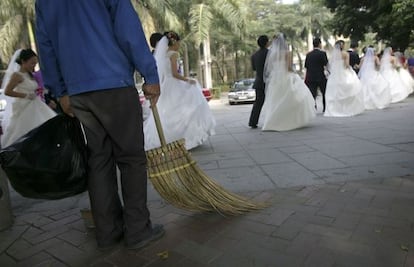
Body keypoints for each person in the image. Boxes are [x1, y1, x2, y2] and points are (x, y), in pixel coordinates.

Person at [35, 0, 164, 250]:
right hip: (114, 84)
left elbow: (46, 46)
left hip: (78, 93)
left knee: (99, 160)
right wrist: (150, 74)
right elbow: (128, 30)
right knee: (131, 159)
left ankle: (107, 234)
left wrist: (60, 91)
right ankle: (138, 230)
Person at [144, 31, 216, 150]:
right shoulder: (173, 54)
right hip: (173, 84)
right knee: (189, 107)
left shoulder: (163, 54)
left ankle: (169, 137)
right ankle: (185, 136)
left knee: (168, 112)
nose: (179, 45)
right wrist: (188, 80)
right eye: (178, 42)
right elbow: (174, 74)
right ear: (174, 42)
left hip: (166, 85)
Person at [0, 49, 57, 148]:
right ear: (23, 61)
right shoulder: (17, 75)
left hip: (36, 104)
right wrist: (25, 95)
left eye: (35, 63)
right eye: (32, 63)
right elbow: (7, 91)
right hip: (24, 105)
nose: (34, 66)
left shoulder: (29, 74)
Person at [261, 34, 316, 131]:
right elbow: (289, 67)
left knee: (276, 100)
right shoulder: (287, 53)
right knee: (293, 98)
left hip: (275, 79)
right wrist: (295, 73)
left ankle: (271, 122)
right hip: (286, 77)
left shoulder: (272, 54)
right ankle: (291, 120)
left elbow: (271, 68)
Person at [324, 40, 365, 117]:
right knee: (351, 88)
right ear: (342, 46)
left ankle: (336, 109)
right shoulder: (345, 54)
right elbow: (346, 65)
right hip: (344, 73)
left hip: (335, 75)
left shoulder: (333, 55)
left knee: (335, 92)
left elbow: (329, 65)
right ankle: (348, 108)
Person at [248, 35, 270, 129]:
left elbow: (254, 68)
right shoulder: (270, 53)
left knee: (258, 103)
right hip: (269, 81)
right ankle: (271, 120)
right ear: (266, 43)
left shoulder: (254, 55)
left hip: (259, 81)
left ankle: (253, 121)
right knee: (272, 101)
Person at [304, 37, 329, 112]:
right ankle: (325, 108)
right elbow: (326, 64)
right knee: (324, 92)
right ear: (319, 44)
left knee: (312, 93)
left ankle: (313, 107)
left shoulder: (308, 55)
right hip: (320, 76)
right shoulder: (322, 53)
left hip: (311, 76)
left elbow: (306, 66)